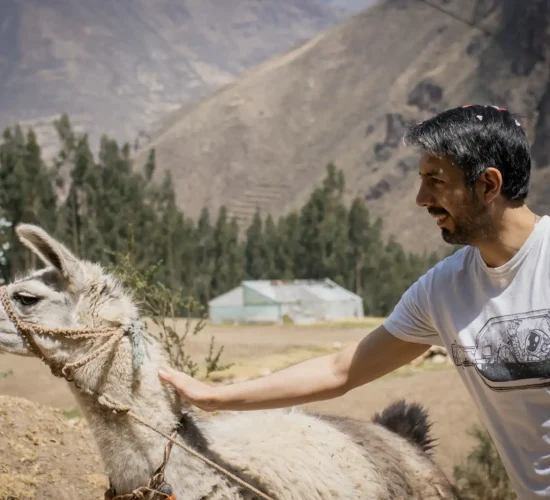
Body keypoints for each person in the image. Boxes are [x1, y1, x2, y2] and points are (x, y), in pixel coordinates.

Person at [158, 104, 550, 499]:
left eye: (435, 180)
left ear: (488, 185)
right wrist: (213, 396)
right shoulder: (445, 289)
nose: (421, 198)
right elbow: (339, 370)